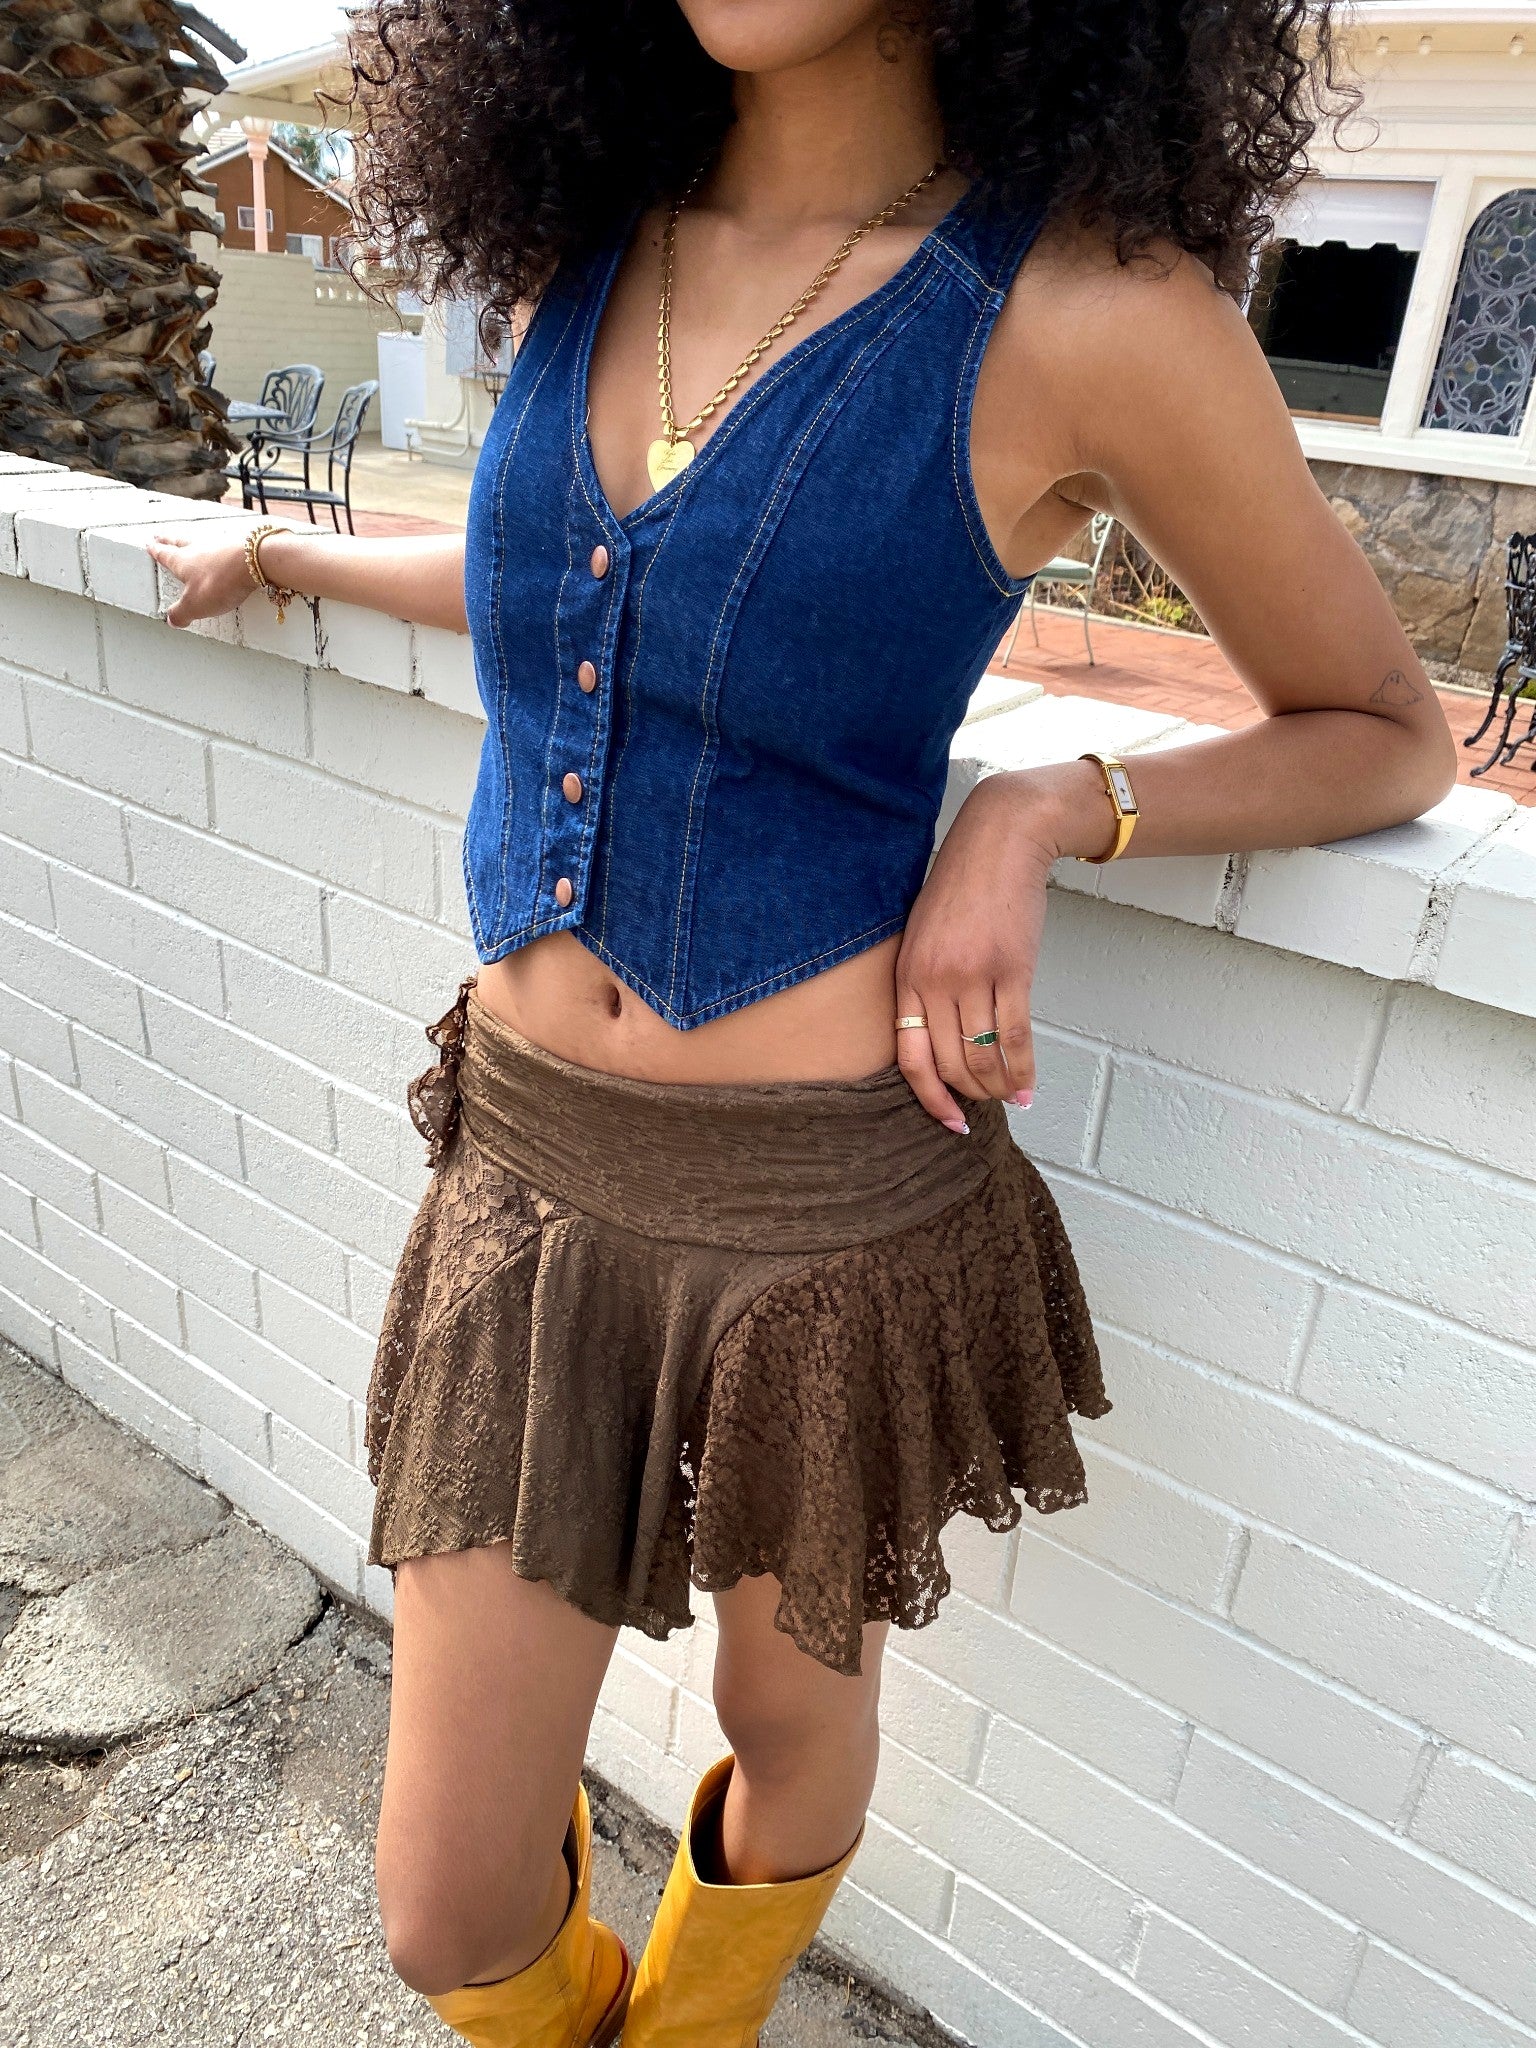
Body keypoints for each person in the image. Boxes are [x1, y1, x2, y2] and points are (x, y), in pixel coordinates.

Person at [148, 3, 1458, 2041]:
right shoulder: (598, 237)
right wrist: (286, 549)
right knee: (443, 1902)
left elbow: (1385, 730)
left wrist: (1044, 806)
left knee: (787, 1703)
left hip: (826, 1214)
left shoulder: (1090, 306)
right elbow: (569, 588)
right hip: (533, 1180)